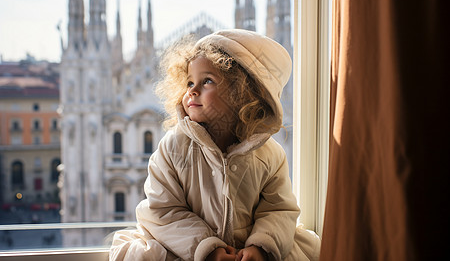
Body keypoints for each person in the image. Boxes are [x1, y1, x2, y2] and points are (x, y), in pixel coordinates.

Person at [109, 29, 320, 261]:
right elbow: (161, 210)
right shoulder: (173, 147)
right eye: (189, 82)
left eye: (207, 81)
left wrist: (261, 246)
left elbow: (279, 210)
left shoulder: (269, 154)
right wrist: (207, 249)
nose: (192, 90)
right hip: (189, 251)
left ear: (242, 93)